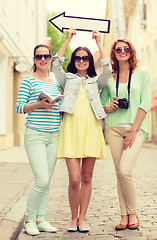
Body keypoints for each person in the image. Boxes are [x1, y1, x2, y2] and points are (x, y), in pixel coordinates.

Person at [52, 28, 112, 233]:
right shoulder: (67, 79)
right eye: (77, 57)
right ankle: (73, 217)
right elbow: (55, 65)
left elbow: (108, 69)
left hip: (91, 131)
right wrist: (67, 40)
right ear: (74, 60)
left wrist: (99, 43)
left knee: (86, 178)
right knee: (74, 178)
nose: (81, 60)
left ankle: (83, 218)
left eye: (85, 57)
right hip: (71, 131)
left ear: (89, 60)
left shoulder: (96, 82)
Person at [100, 38, 151, 230]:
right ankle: (124, 216)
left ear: (131, 51)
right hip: (113, 128)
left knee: (125, 170)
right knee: (118, 174)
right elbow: (102, 104)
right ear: (114, 53)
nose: (123, 51)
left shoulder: (142, 73)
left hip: (135, 129)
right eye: (118, 49)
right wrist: (108, 107)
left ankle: (133, 213)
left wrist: (133, 131)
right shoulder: (109, 76)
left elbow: (145, 103)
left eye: (126, 48)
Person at [16, 44, 62, 236]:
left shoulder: (55, 82)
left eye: (46, 56)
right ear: (34, 59)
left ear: (51, 58)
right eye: (39, 56)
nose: (43, 59)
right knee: (41, 179)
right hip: (35, 134)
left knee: (48, 180)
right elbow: (19, 107)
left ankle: (40, 219)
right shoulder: (28, 80)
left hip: (54, 135)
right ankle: (29, 220)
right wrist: (39, 104)